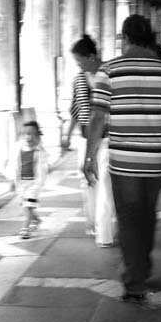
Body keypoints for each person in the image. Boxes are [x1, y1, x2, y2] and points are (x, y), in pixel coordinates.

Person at [84, 14, 161, 302]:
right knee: (147, 213)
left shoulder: (109, 70)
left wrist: (89, 156)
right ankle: (142, 265)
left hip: (124, 159)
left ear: (125, 38)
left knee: (128, 218)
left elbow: (98, 117)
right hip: (156, 157)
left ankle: (134, 280)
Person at [64, 35, 115, 245]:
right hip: (85, 138)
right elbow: (76, 110)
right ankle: (93, 223)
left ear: (92, 56)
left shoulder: (111, 76)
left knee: (105, 183)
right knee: (88, 183)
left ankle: (105, 233)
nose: (79, 65)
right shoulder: (79, 79)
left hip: (107, 138)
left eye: (80, 61)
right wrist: (67, 135)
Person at [8, 120, 49, 238]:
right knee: (25, 205)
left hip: (33, 184)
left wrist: (39, 184)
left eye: (31, 134)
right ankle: (36, 219)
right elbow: (12, 165)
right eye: (25, 134)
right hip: (21, 183)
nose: (28, 137)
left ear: (37, 135)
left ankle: (25, 228)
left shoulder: (40, 151)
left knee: (28, 205)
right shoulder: (18, 148)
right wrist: (11, 180)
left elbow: (43, 169)